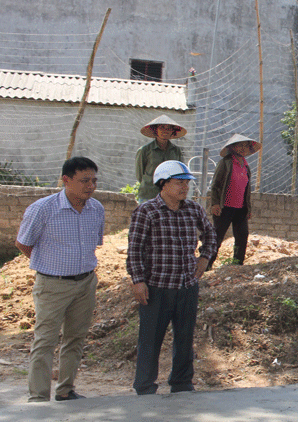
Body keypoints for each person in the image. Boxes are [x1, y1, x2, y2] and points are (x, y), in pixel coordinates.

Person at [15, 157, 104, 402]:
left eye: (94, 180)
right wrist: (48, 264)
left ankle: (66, 390)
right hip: (52, 284)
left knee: (75, 338)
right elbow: (23, 243)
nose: (91, 186)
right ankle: (39, 397)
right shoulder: (43, 209)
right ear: (66, 180)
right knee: (45, 340)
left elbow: (94, 243)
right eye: (84, 180)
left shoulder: (96, 209)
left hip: (86, 283)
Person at [126, 160, 217, 395]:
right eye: (179, 182)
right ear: (163, 184)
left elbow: (210, 234)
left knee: (185, 338)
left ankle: (182, 382)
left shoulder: (194, 209)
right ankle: (145, 386)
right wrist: (138, 280)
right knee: (150, 340)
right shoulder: (146, 211)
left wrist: (205, 258)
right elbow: (135, 249)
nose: (185, 187)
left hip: (187, 285)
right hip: (157, 287)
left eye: (187, 182)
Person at [208, 134, 261, 268]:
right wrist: (214, 204)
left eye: (245, 146)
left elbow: (246, 190)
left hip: (240, 209)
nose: (242, 149)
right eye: (239, 145)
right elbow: (216, 185)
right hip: (224, 207)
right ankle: (207, 265)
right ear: (232, 147)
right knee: (217, 237)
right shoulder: (225, 162)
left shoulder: (245, 165)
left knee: (242, 237)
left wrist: (247, 209)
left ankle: (237, 265)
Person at [135, 115, 186, 204]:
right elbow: (140, 175)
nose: (165, 131)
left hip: (171, 195)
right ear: (155, 130)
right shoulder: (145, 150)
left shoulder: (176, 151)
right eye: (162, 128)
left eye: (168, 128)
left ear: (172, 131)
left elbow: (179, 173)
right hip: (149, 194)